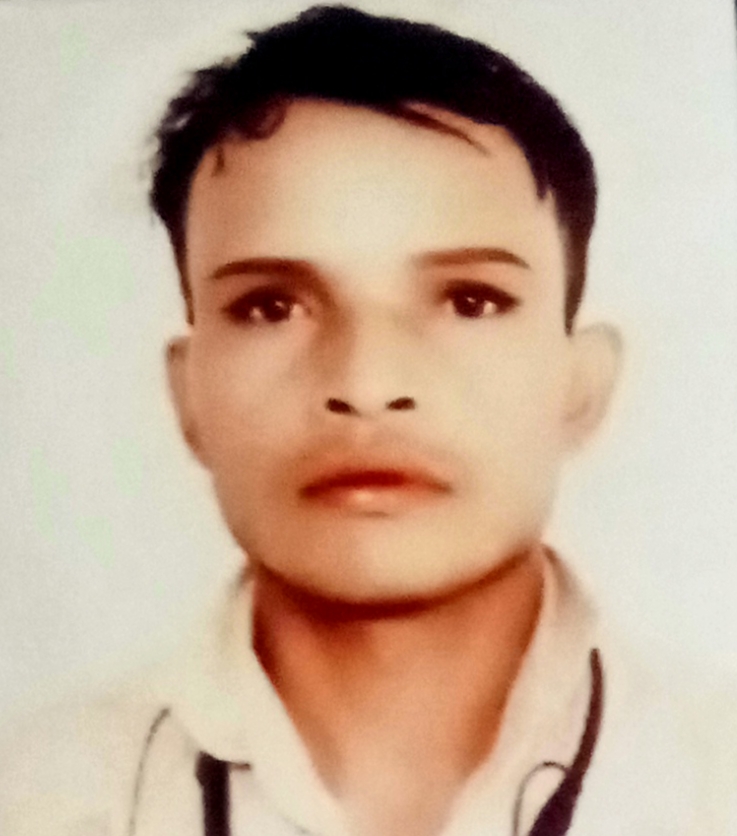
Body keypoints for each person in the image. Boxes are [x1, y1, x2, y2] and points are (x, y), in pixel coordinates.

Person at [1, 5, 734, 836]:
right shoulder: (32, 803)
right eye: (271, 306)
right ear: (188, 394)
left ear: (581, 384)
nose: (366, 383)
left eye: (469, 300)